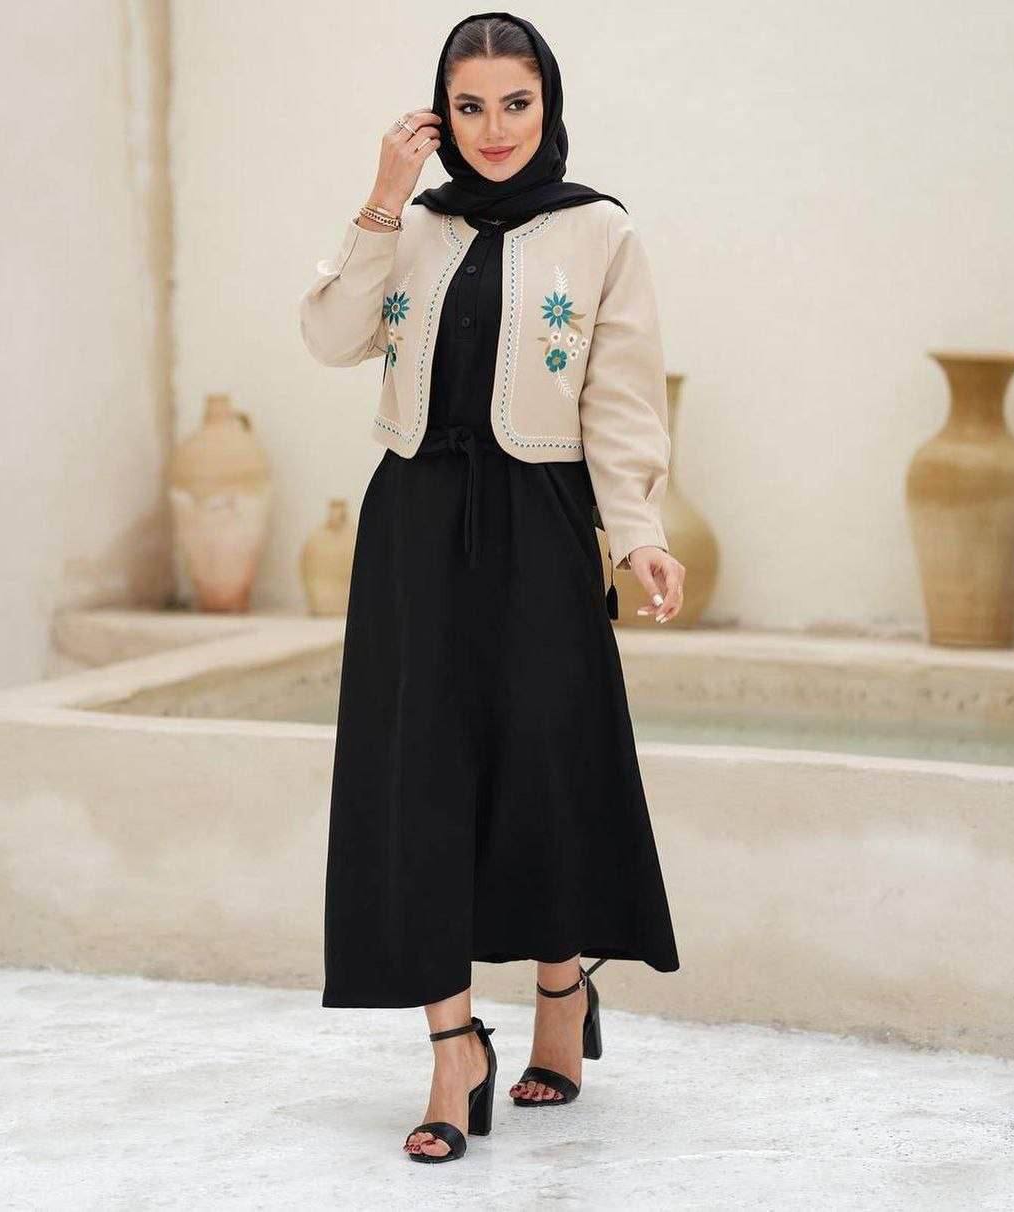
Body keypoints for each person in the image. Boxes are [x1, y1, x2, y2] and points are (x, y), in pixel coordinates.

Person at [299, 10, 684, 1165]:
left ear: (547, 105)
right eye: (469, 106)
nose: (495, 127)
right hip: (415, 528)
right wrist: (383, 196)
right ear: (441, 114)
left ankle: (563, 989)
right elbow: (330, 336)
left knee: (544, 767)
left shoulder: (599, 229)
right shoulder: (412, 225)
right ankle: (452, 1046)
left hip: (542, 524)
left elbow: (621, 394)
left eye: (516, 103)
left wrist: (638, 533)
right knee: (420, 778)